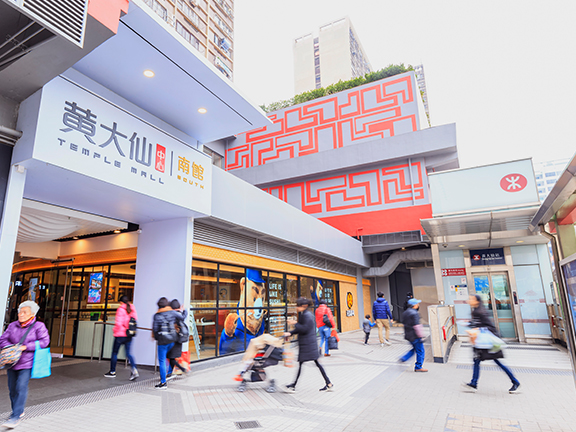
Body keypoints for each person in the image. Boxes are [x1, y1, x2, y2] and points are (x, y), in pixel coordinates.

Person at [0, 301, 50, 429]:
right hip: (12, 362)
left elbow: (44, 342)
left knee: (21, 387)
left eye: (24, 312)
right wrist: (10, 347)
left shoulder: (38, 326)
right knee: (12, 389)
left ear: (32, 314)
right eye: (19, 312)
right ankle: (18, 410)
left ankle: (15, 416)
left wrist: (25, 347)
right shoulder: (12, 326)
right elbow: (3, 339)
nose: (21, 315)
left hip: (27, 362)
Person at [462, 294, 520, 394]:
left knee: (496, 361)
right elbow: (478, 324)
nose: (469, 300)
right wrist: (469, 324)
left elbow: (485, 326)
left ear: (476, 301)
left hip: (487, 342)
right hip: (482, 342)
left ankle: (515, 381)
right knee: (477, 360)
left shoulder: (478, 312)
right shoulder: (478, 310)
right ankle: (473, 383)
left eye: (471, 299)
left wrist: (473, 329)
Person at [284, 297, 333, 392]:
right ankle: (328, 383)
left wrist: (294, 323)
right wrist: (290, 333)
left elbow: (304, 329)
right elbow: (301, 328)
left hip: (308, 345)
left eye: (298, 306)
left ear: (304, 306)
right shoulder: (305, 314)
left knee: (304, 364)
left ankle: (293, 385)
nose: (296, 307)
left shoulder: (306, 315)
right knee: (315, 364)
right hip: (309, 345)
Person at [219, 269, 267, 355]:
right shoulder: (237, 324)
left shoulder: (261, 323)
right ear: (243, 285)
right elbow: (224, 350)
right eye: (255, 299)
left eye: (262, 299)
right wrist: (227, 334)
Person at [104, 295, 139, 381]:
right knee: (128, 353)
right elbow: (135, 321)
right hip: (129, 334)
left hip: (120, 335)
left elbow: (118, 323)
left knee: (115, 353)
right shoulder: (132, 308)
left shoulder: (120, 309)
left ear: (121, 302)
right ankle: (134, 369)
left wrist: (114, 330)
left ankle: (112, 372)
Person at [152, 297, 183, 389]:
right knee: (168, 357)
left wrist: (158, 338)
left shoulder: (157, 315)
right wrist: (184, 311)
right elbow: (181, 317)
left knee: (162, 361)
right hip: (172, 340)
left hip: (163, 340)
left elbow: (155, 329)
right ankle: (169, 372)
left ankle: (163, 383)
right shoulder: (172, 312)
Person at [399, 298, 428, 372]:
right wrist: (421, 336)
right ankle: (418, 367)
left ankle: (404, 358)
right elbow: (417, 326)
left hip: (408, 335)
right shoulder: (415, 313)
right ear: (414, 305)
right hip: (415, 335)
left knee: (415, 348)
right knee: (420, 351)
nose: (418, 305)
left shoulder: (405, 313)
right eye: (417, 304)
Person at [166, 299, 189, 380]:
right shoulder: (180, 314)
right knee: (172, 357)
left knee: (171, 357)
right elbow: (183, 317)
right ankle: (170, 373)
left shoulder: (173, 315)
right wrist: (184, 310)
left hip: (174, 338)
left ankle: (181, 369)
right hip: (179, 338)